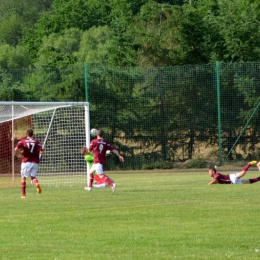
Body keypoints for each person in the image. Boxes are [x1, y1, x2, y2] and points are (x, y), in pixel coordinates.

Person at [14, 128, 44, 198]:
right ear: (32, 134)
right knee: (33, 177)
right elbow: (41, 151)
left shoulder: (22, 141)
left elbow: (16, 148)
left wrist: (18, 154)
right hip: (35, 162)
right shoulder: (36, 141)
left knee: (23, 178)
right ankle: (36, 183)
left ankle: (23, 195)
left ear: (26, 134)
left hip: (26, 162)